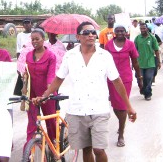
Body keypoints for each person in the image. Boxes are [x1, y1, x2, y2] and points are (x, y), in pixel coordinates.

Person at [32, 22, 137, 162]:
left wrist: (129, 106)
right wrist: (45, 95)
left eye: (93, 32)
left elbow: (117, 81)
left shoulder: (104, 56)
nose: (91, 35)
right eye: (86, 33)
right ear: (78, 37)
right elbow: (59, 78)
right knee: (86, 149)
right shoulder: (70, 56)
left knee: (98, 149)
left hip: (99, 110)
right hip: (77, 110)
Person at [105, 24, 142, 147]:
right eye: (118, 31)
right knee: (116, 106)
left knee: (122, 105)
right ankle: (122, 119)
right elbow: (103, 63)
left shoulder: (130, 45)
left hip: (125, 79)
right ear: (114, 32)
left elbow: (135, 62)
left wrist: (140, 78)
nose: (120, 33)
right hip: (111, 79)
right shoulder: (108, 45)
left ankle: (121, 134)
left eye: (122, 31)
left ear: (126, 32)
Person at [23, 28, 57, 149]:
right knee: (32, 122)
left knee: (50, 121)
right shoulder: (28, 55)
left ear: (43, 39)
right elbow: (26, 73)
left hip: (46, 93)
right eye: (32, 39)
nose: (34, 41)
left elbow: (51, 76)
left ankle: (54, 145)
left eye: (37, 39)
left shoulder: (51, 56)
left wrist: (47, 94)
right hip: (32, 94)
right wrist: (24, 77)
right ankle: (28, 150)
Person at [134, 23, 161, 101]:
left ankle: (148, 94)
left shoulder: (152, 38)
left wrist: (158, 62)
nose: (142, 30)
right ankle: (142, 88)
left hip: (150, 63)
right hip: (140, 63)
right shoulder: (137, 38)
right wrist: (134, 62)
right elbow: (134, 51)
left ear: (147, 29)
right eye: (141, 29)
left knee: (148, 78)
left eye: (144, 28)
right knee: (140, 79)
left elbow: (156, 50)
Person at [14, 18, 33, 96]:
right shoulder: (19, 35)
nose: (27, 24)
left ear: (31, 24)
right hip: (23, 59)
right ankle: (23, 98)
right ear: (23, 25)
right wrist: (18, 65)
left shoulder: (34, 34)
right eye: (25, 23)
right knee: (23, 79)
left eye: (28, 23)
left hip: (32, 58)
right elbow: (18, 50)